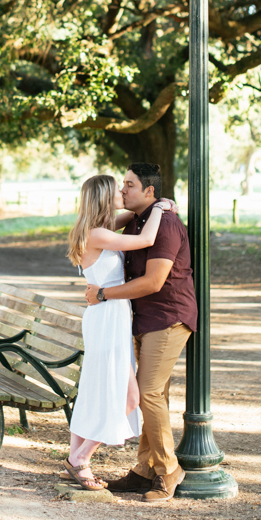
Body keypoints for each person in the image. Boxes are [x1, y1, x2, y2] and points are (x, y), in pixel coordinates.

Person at [86, 163, 198, 503]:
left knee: (147, 394)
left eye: (129, 185)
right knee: (154, 396)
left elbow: (153, 282)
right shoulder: (137, 220)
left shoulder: (164, 225)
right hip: (143, 320)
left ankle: (169, 470)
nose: (123, 191)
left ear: (149, 191)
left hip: (168, 318)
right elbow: (103, 225)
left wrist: (103, 294)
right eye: (122, 184)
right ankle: (144, 470)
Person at [65, 174, 174, 491]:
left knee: (97, 390)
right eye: (117, 190)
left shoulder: (98, 229)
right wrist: (159, 207)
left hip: (109, 316)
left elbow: (129, 217)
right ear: (103, 198)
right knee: (127, 397)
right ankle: (80, 459)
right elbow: (146, 240)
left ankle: (75, 456)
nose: (123, 193)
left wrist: (146, 208)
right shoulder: (98, 233)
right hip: (107, 319)